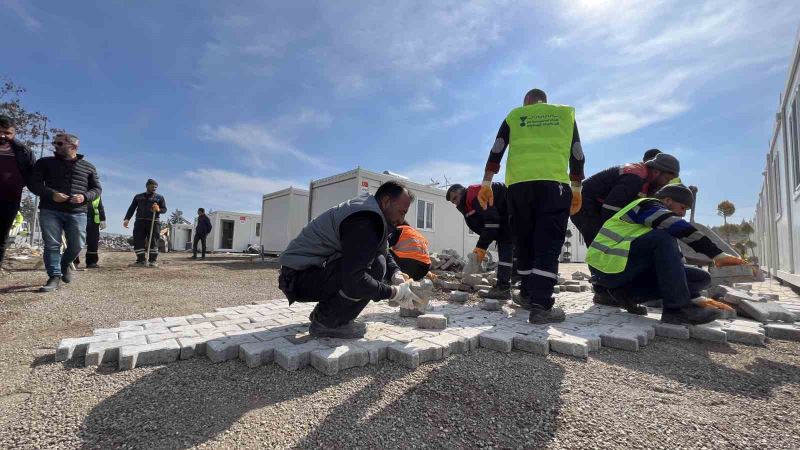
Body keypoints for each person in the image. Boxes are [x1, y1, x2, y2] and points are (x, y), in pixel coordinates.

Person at [478, 88, 585, 323]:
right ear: (543, 101)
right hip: (553, 186)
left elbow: (497, 148)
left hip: (518, 188)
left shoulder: (515, 115)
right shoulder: (564, 115)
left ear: (527, 102)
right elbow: (576, 153)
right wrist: (576, 187)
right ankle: (541, 305)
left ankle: (527, 294)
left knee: (524, 240)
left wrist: (486, 181)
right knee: (548, 242)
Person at [278, 181, 423, 338]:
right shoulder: (365, 220)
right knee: (375, 266)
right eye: (402, 212)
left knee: (377, 260)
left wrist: (396, 274)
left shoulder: (370, 212)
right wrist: (394, 293)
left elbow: (382, 250)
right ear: (386, 202)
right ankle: (329, 323)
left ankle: (325, 314)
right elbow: (355, 279)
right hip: (297, 278)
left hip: (304, 274)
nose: (402, 220)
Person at [586, 184, 748, 324]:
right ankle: (677, 310)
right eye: (682, 207)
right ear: (668, 200)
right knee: (664, 235)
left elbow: (675, 266)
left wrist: (695, 298)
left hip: (625, 275)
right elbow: (677, 226)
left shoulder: (660, 231)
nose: (683, 213)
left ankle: (615, 296)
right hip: (605, 270)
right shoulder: (647, 206)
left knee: (701, 278)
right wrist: (716, 254)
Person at [28, 133, 102, 292]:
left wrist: (84, 197)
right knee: (52, 244)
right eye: (55, 143)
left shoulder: (88, 167)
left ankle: (63, 263)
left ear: (73, 147)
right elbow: (33, 184)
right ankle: (54, 277)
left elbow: (96, 189)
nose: (55, 146)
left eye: (60, 143)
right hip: (50, 210)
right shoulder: (44, 163)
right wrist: (51, 194)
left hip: (77, 212)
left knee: (77, 244)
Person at [571, 152, 680, 246]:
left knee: (605, 241)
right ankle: (600, 269)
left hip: (595, 205)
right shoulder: (635, 178)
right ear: (656, 172)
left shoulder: (646, 181)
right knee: (599, 242)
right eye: (666, 178)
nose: (666, 183)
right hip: (584, 204)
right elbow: (610, 209)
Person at [446, 182, 514, 299]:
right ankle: (505, 287)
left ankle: (506, 287)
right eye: (453, 202)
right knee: (506, 250)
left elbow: (491, 222)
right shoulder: (467, 205)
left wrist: (480, 248)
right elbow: (485, 226)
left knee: (510, 248)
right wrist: (480, 248)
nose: (455, 203)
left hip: (511, 214)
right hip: (505, 220)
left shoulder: (474, 196)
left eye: (455, 198)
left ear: (461, 191)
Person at [0, 115, 36, 273]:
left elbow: (33, 174)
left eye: (7, 133)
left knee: (1, 236)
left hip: (10, 199)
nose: (3, 136)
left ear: (14, 133)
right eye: (0, 131)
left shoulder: (23, 151)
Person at [124, 179, 167, 267]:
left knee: (154, 241)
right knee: (138, 240)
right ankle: (141, 261)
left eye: (155, 187)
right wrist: (127, 219)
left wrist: (158, 209)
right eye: (152, 186)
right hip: (140, 221)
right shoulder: (138, 197)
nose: (154, 188)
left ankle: (152, 261)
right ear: (147, 186)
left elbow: (164, 209)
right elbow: (132, 208)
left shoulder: (159, 197)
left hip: (154, 222)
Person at [74, 196, 106, 268]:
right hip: (77, 217)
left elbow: (100, 206)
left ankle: (91, 262)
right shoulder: (78, 187)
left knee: (93, 241)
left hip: (93, 220)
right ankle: (73, 261)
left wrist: (102, 219)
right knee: (75, 240)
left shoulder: (96, 193)